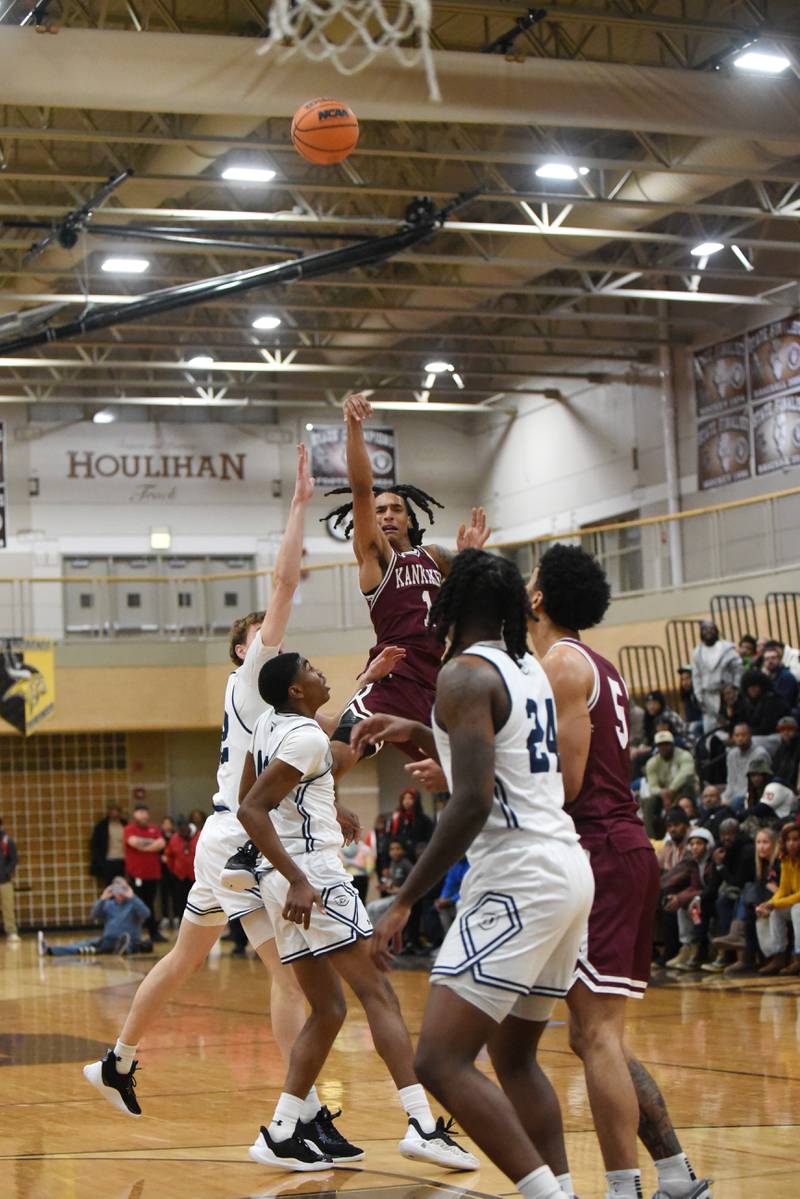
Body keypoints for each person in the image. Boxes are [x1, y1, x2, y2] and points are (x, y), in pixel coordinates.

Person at [84, 446, 329, 1120]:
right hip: (237, 837)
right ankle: (297, 1111)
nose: (270, 634)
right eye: (258, 633)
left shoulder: (268, 696)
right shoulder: (254, 672)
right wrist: (301, 503)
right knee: (287, 978)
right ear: (242, 647)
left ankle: (118, 1059)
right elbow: (282, 585)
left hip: (228, 836)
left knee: (188, 958)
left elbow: (329, 719)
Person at [352, 549, 596, 1199]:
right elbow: (496, 750)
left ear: (446, 606)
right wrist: (415, 725)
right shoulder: (526, 666)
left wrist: (403, 899)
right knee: (513, 1059)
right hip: (566, 870)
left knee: (437, 1058)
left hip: (518, 874)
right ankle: (563, 1187)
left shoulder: (461, 674)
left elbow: (473, 799)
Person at [237, 651, 478, 1173]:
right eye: (311, 669)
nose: (320, 672)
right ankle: (421, 1123)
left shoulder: (266, 725)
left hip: (280, 882)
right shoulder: (305, 737)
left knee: (329, 1010)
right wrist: (302, 877)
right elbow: (250, 808)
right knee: (380, 995)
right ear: (296, 691)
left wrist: (325, 806)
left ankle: (281, 1131)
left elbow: (253, 793)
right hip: (313, 879)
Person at [527, 544, 709, 1199]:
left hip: (601, 847)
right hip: (618, 847)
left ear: (541, 598)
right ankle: (675, 1175)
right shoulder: (591, 663)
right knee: (597, 1034)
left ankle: (624, 1188)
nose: (525, 585)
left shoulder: (561, 664)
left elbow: (568, 781)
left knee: (595, 1033)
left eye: (531, 578)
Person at [322, 391, 490, 774]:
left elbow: (470, 604)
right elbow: (362, 489)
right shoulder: (377, 558)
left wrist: (471, 560)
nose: (387, 515)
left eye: (397, 509)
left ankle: (313, 724)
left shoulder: (435, 556)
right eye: (380, 511)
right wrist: (353, 426)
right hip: (393, 680)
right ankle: (300, 805)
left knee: (467, 776)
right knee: (339, 757)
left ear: (410, 520)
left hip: (436, 686)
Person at [38, 878, 151, 957]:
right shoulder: (108, 904)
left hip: (129, 940)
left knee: (128, 942)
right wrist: (102, 898)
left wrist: (133, 897)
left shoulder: (133, 904)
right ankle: (50, 949)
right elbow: (94, 914)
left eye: (123, 889)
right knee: (82, 944)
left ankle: (125, 948)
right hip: (107, 940)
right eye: (117, 889)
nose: (120, 893)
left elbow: (146, 913)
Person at [661, 827, 715, 972]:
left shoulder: (713, 861)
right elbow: (694, 886)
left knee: (694, 906)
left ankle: (698, 952)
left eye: (699, 844)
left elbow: (710, 888)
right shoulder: (694, 863)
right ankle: (687, 947)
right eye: (692, 844)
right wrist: (678, 898)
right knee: (682, 906)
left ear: (708, 845)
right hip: (701, 896)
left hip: (712, 897)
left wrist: (688, 898)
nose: (695, 847)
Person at [755, 822, 800, 975]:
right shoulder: (786, 860)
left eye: (796, 839)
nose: (792, 844)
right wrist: (770, 903)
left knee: (796, 910)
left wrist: (776, 903)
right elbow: (784, 889)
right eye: (788, 840)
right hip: (795, 901)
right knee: (777, 912)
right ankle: (778, 956)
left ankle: (798, 957)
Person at [122, 803, 166, 944]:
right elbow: (133, 842)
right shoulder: (129, 829)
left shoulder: (154, 828)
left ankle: (154, 933)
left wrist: (144, 846)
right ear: (134, 814)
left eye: (144, 811)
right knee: (136, 904)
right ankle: (135, 934)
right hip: (136, 874)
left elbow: (161, 843)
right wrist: (151, 844)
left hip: (152, 874)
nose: (142, 815)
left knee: (150, 905)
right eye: (139, 812)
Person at [641, 731, 698, 837]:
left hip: (683, 790)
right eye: (660, 745)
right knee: (648, 802)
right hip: (664, 794)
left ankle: (683, 829)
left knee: (687, 786)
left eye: (666, 744)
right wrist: (663, 793)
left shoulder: (684, 755)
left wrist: (670, 790)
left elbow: (685, 774)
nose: (663, 748)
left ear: (672, 744)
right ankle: (651, 837)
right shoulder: (652, 762)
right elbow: (652, 786)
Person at [691, 621, 743, 733]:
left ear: (716, 631)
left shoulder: (727, 649)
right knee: (710, 730)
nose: (708, 632)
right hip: (708, 696)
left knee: (729, 726)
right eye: (705, 629)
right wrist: (698, 695)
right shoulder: (697, 652)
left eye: (711, 629)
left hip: (727, 695)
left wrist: (736, 687)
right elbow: (696, 676)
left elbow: (738, 669)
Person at [722, 723, 764, 811]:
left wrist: (730, 800)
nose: (740, 738)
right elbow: (730, 781)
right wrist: (724, 798)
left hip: (751, 795)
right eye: (737, 735)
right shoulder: (731, 754)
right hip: (734, 794)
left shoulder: (759, 754)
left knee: (735, 803)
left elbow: (756, 785)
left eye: (743, 735)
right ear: (733, 737)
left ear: (750, 736)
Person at [737, 669, 789, 738]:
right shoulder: (751, 702)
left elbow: (766, 729)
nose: (752, 689)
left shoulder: (772, 700)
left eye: (755, 685)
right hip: (760, 735)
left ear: (762, 686)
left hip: (776, 736)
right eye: (748, 686)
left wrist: (744, 734)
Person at [164, 817, 198, 920]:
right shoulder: (174, 838)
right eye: (180, 830)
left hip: (196, 876)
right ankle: (181, 922)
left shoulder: (199, 836)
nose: (182, 832)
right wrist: (173, 870)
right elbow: (169, 855)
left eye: (184, 829)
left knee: (196, 900)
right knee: (180, 901)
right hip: (179, 876)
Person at [387, 788, 434, 856]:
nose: (407, 801)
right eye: (404, 798)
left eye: (410, 798)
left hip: (419, 856)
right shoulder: (397, 819)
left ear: (416, 800)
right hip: (400, 858)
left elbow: (430, 839)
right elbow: (391, 838)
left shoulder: (425, 819)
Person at [89, 805, 127, 887]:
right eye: (112, 811)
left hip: (123, 860)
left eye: (116, 811)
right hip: (109, 861)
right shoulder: (101, 826)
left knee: (123, 886)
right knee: (110, 886)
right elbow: (95, 845)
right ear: (108, 812)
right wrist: (101, 862)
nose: (114, 813)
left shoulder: (125, 824)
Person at [761, 641, 800, 708]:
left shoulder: (786, 677)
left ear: (779, 659)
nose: (770, 661)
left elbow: (783, 703)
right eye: (767, 659)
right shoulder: (767, 677)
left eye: (773, 658)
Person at [0, 815, 20, 944]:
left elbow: (14, 859)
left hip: (4, 881)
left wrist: (6, 872)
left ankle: (11, 932)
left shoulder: (7, 841)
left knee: (8, 907)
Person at [772, 716, 800, 789]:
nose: (785, 732)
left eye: (789, 729)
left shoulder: (797, 748)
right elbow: (774, 770)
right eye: (782, 729)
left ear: (796, 731)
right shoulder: (780, 748)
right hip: (780, 787)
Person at [677, 666, 703, 731]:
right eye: (683, 679)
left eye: (688, 678)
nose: (685, 682)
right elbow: (688, 718)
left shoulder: (702, 695)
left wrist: (693, 725)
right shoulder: (687, 696)